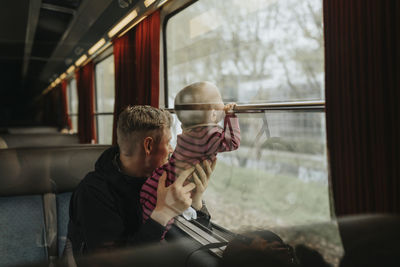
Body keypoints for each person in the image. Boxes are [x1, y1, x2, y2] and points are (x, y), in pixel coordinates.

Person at [64, 105, 215, 258]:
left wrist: (196, 203)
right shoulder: (92, 192)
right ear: (148, 146)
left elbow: (199, 244)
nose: (171, 150)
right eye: (168, 142)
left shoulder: (162, 180)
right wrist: (162, 214)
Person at [140, 81, 240, 232]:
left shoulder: (188, 131)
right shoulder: (209, 135)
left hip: (167, 173)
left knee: (149, 203)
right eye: (221, 102)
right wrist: (230, 116)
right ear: (213, 113)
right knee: (173, 218)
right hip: (182, 184)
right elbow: (233, 142)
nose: (225, 106)